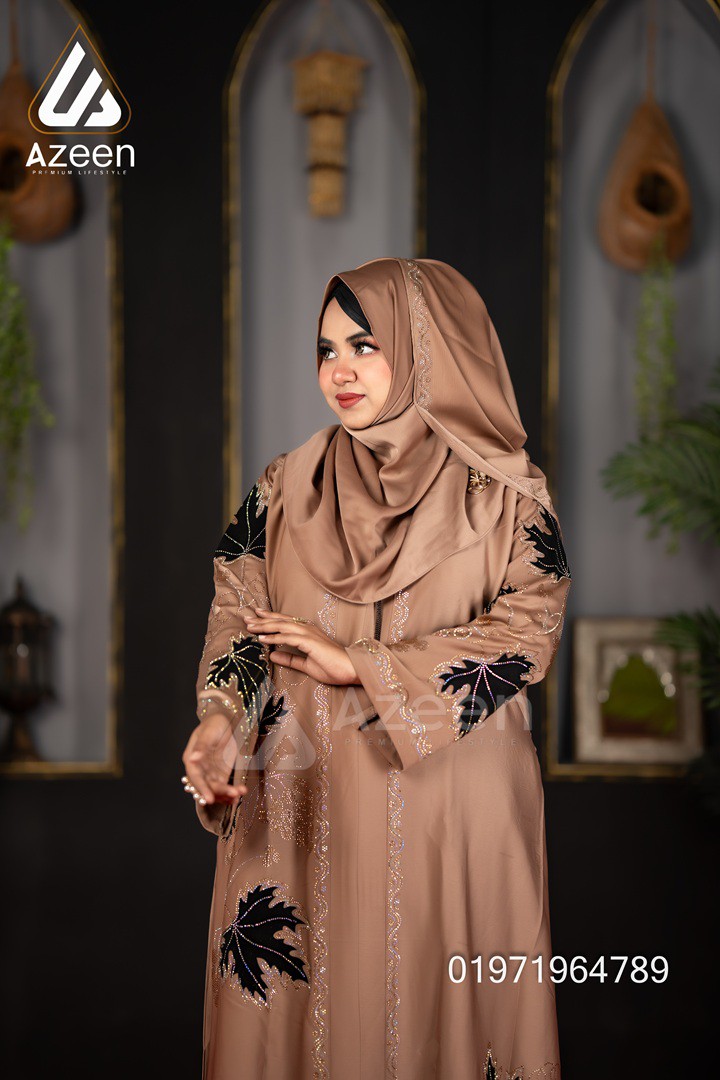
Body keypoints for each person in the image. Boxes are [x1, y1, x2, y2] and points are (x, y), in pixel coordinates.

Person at [181, 257, 571, 1079]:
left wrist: (361, 665)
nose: (340, 371)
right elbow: (239, 616)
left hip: (450, 818)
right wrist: (218, 720)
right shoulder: (285, 487)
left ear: (429, 347)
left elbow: (530, 629)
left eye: (366, 345)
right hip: (301, 810)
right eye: (326, 350)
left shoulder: (504, 494)